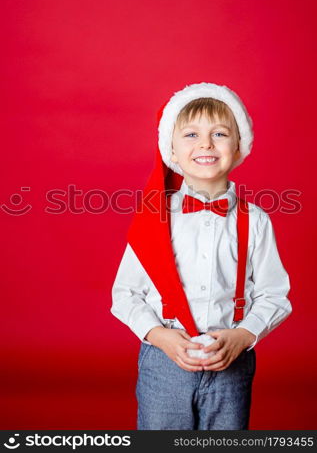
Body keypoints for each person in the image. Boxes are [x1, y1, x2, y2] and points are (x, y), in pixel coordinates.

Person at [110, 82, 292, 430]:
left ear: (239, 148)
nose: (206, 143)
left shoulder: (256, 221)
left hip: (232, 363)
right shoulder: (156, 219)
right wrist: (158, 335)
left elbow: (274, 294)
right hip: (164, 362)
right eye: (191, 134)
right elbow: (125, 294)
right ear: (172, 152)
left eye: (220, 133)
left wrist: (243, 336)